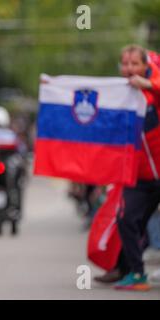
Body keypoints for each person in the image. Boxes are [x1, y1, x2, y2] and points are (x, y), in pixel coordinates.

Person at [110, 45, 160, 291]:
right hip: (139, 178)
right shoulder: (117, 98)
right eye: (125, 64)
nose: (129, 69)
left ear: (146, 67)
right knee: (126, 219)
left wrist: (149, 85)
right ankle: (137, 274)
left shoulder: (154, 93)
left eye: (134, 64)